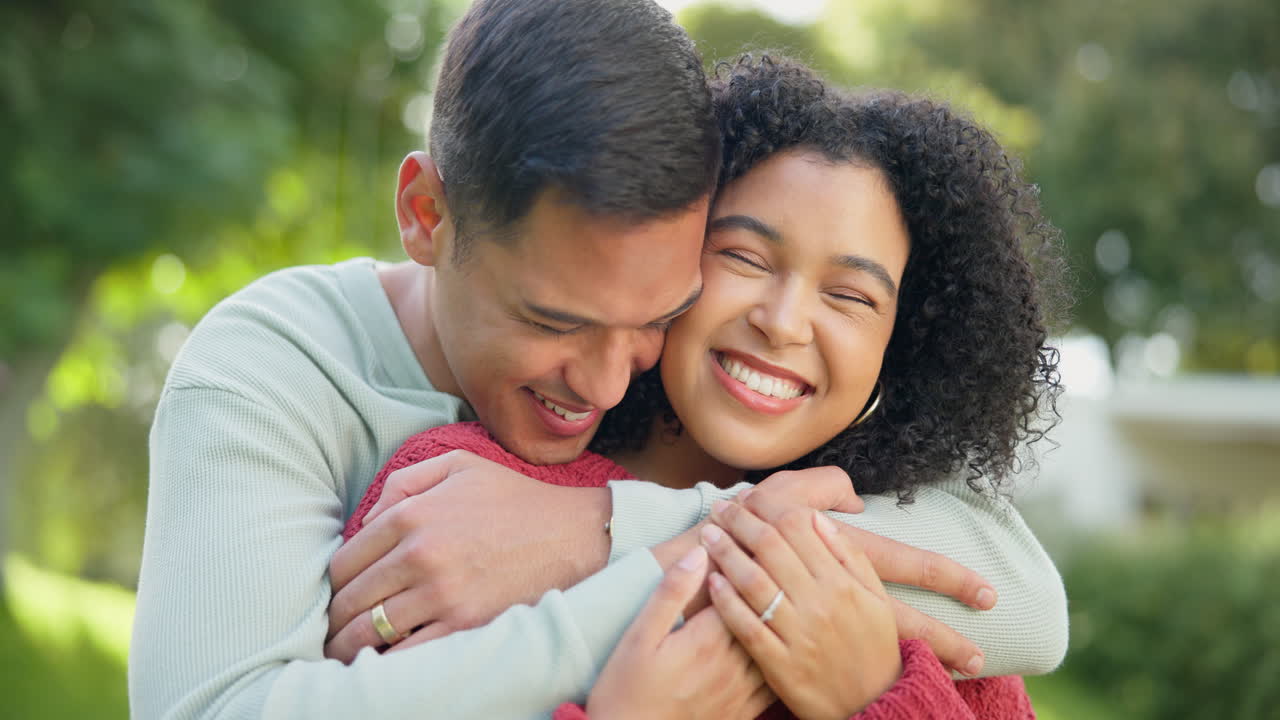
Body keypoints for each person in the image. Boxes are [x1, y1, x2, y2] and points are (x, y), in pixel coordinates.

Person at [130, 1, 1063, 718]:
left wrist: (607, 530)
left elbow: (1025, 602)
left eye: (655, 316)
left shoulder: (729, 448)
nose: (611, 380)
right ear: (425, 215)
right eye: (554, 318)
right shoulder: (282, 375)